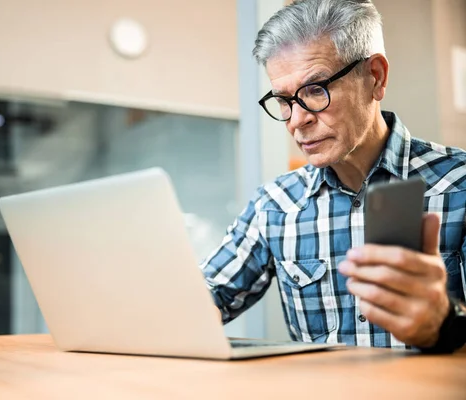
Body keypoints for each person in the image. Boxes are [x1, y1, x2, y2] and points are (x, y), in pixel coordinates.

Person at [200, 0, 466, 353]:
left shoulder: (460, 183)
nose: (297, 120)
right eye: (284, 100)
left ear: (375, 77)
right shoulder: (275, 206)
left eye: (315, 90)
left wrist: (446, 323)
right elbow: (205, 298)